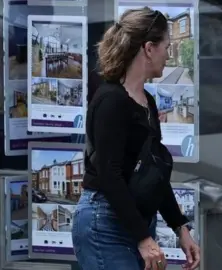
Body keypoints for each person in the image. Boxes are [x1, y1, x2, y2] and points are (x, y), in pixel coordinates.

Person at [71, 7, 200, 270]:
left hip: (134, 221)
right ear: (149, 48)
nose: (168, 54)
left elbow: (154, 175)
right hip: (103, 224)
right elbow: (110, 174)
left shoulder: (147, 102)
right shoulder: (111, 100)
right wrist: (143, 238)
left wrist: (180, 228)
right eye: (167, 46)